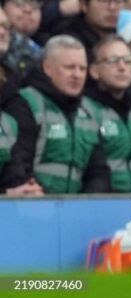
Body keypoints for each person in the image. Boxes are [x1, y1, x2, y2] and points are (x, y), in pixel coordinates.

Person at [0, 35, 110, 193]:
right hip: (36, 202)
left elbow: (98, 170)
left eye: (82, 68)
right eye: (69, 67)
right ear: (47, 68)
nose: (77, 75)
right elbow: (19, 168)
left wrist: (89, 201)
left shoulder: (90, 110)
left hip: (80, 205)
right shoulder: (25, 103)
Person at [84, 35, 131, 192]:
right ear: (94, 71)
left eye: (127, 61)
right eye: (113, 61)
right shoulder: (85, 109)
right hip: (107, 199)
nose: (122, 67)